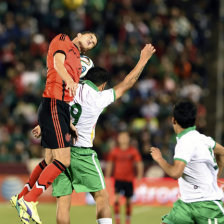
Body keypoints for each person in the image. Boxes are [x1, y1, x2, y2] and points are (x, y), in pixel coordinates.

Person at [32, 43, 155, 224]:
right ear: (102, 85)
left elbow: (55, 111)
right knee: (101, 196)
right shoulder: (98, 97)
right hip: (82, 153)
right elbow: (127, 83)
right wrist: (143, 59)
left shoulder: (68, 90)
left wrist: (42, 126)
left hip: (60, 150)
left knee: (63, 202)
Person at [10, 31, 97, 224]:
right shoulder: (64, 40)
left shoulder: (77, 60)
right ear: (80, 34)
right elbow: (57, 64)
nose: (91, 41)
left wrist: (68, 123)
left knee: (49, 159)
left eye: (94, 43)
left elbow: (68, 94)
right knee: (63, 161)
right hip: (54, 103)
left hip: (58, 108)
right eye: (90, 37)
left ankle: (21, 196)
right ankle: (29, 200)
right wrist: (70, 81)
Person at [150, 101, 224, 224]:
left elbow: (175, 173)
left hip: (207, 205)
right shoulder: (202, 139)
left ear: (173, 120)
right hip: (185, 204)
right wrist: (216, 177)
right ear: (194, 120)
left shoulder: (185, 142)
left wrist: (159, 159)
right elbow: (221, 151)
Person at [105, 131, 144, 224]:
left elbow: (139, 163)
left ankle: (127, 220)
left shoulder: (133, 151)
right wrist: (107, 176)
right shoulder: (114, 151)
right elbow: (110, 164)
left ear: (128, 139)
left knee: (128, 201)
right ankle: (118, 220)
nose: (123, 139)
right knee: (116, 200)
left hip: (129, 180)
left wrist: (139, 176)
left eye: (125, 137)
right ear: (118, 139)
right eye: (121, 137)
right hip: (118, 179)